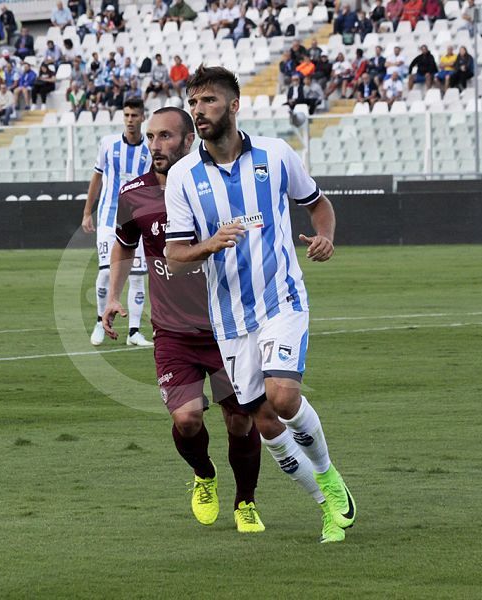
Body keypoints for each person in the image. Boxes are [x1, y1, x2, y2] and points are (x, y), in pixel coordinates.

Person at [165, 66, 356, 544]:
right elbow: (175, 254)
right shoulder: (184, 176)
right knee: (263, 420)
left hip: (282, 299)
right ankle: (326, 505)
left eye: (207, 101)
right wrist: (209, 245)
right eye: (193, 103)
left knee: (284, 396)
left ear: (233, 105)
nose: (198, 111)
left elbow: (318, 204)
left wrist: (326, 238)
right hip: (229, 317)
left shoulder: (275, 153)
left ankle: (329, 476)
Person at [102, 107, 264, 533]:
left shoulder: (212, 184)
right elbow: (123, 244)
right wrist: (114, 295)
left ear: (189, 140)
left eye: (166, 137)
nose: (155, 145)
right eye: (151, 137)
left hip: (227, 325)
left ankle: (245, 502)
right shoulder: (134, 192)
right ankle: (205, 475)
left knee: (240, 420)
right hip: (173, 331)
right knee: (187, 420)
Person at [81, 98, 153, 347]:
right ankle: (100, 322)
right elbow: (97, 177)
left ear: (143, 117)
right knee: (105, 273)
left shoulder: (150, 149)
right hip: (109, 220)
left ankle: (134, 332)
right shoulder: (108, 144)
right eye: (127, 115)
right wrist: (87, 212)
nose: (130, 120)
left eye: (135, 115)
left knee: (136, 276)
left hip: (138, 221)